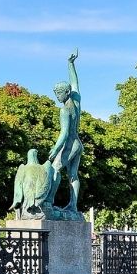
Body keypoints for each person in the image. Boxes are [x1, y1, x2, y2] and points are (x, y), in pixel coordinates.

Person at [47, 49, 83, 214]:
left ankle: (48, 202)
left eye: (58, 93)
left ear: (66, 93)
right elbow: (75, 83)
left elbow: (64, 133)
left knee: (54, 169)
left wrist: (55, 149)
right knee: (73, 175)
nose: (57, 96)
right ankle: (73, 206)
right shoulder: (76, 101)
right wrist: (70, 64)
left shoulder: (65, 110)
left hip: (69, 143)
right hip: (78, 144)